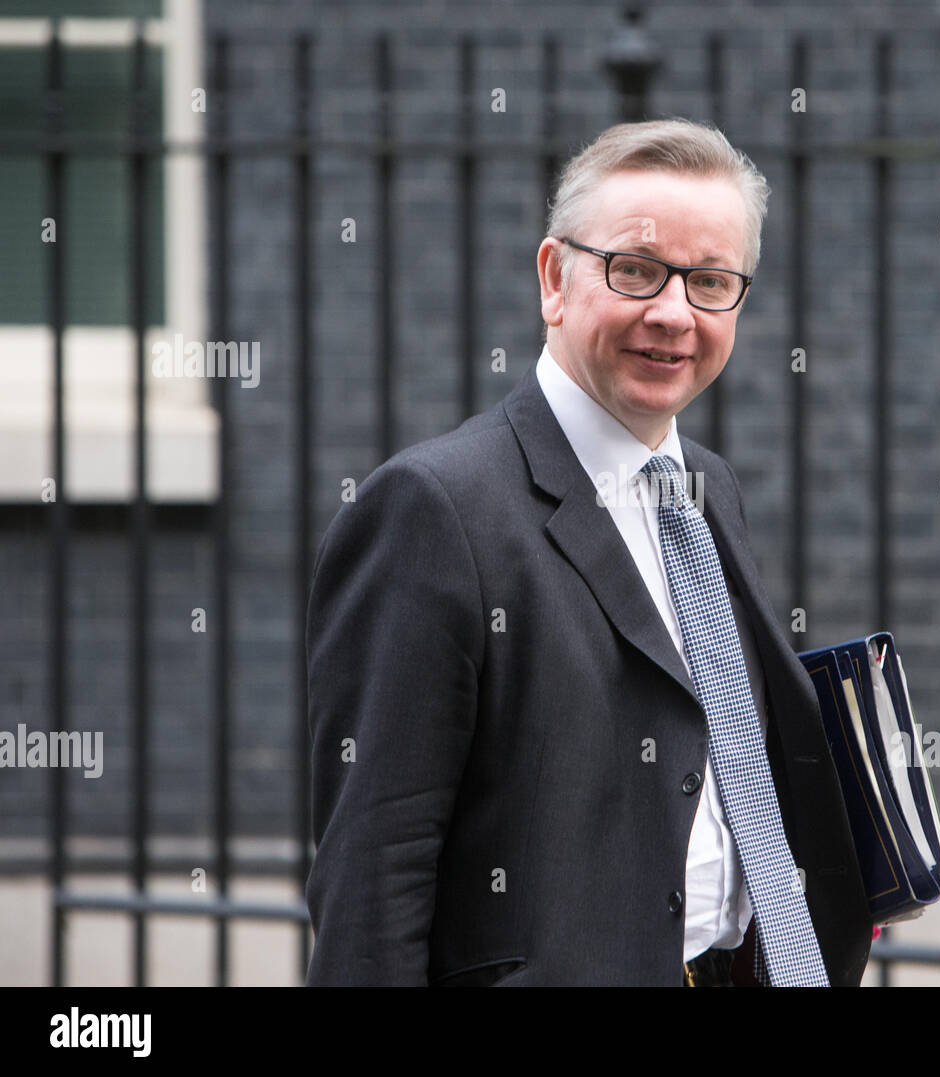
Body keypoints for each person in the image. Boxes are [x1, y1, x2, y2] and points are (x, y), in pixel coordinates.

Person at [304, 118, 873, 987]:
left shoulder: (708, 487)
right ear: (554, 278)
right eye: (636, 270)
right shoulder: (434, 508)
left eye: (711, 281)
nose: (673, 314)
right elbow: (374, 874)